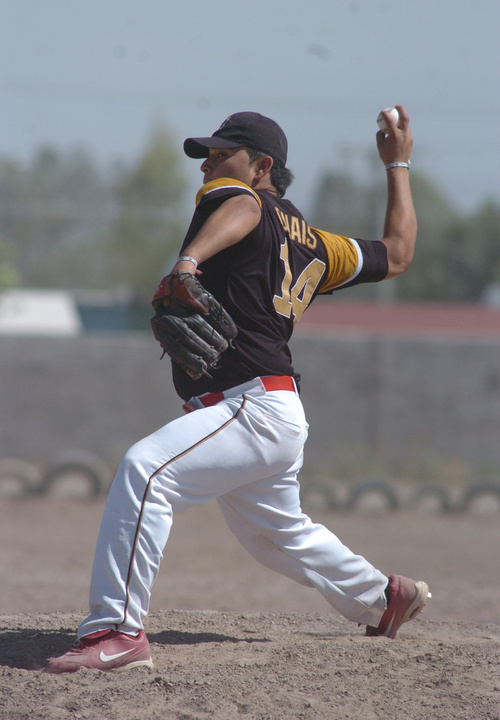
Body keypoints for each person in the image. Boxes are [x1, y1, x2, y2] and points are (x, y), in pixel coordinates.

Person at [46, 107, 428, 673]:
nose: (208, 166)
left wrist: (188, 260)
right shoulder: (317, 244)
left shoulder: (242, 199)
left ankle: (117, 631)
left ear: (262, 166)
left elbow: (249, 207)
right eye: (208, 157)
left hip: (252, 405)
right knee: (275, 535)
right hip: (270, 409)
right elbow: (397, 253)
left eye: (222, 155)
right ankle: (384, 596)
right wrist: (398, 165)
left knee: (145, 472)